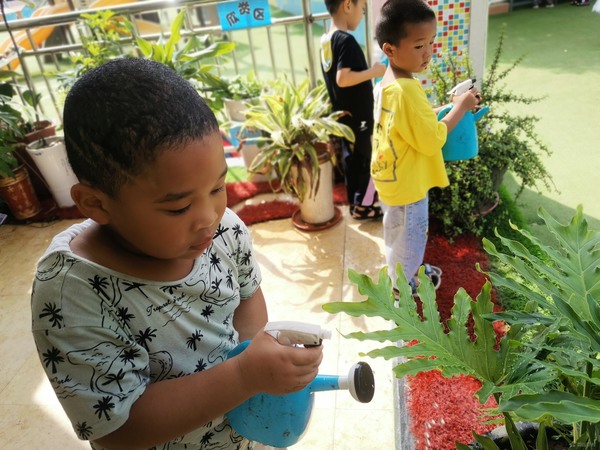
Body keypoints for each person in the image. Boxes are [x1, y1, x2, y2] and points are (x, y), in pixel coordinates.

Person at [30, 58, 323, 450]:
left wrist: (259, 361)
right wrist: (243, 376)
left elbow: (247, 295)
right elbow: (116, 430)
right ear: (96, 204)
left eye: (217, 188)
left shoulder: (225, 230)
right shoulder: (72, 293)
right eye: (178, 207)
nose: (209, 217)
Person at [371, 0, 481, 294]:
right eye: (419, 45)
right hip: (409, 185)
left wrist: (447, 107)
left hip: (390, 175)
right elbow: (432, 139)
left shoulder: (388, 82)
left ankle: (402, 272)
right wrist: (461, 108)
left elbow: (410, 120)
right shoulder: (407, 90)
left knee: (397, 233)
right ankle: (403, 288)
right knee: (411, 237)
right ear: (390, 49)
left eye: (431, 42)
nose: (428, 52)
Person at [320, 0, 387, 220]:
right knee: (366, 158)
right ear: (348, 5)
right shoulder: (345, 40)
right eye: (363, 10)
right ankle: (364, 206)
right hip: (359, 117)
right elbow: (343, 78)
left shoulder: (326, 40)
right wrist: (374, 72)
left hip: (345, 116)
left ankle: (356, 203)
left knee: (353, 159)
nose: (362, 15)